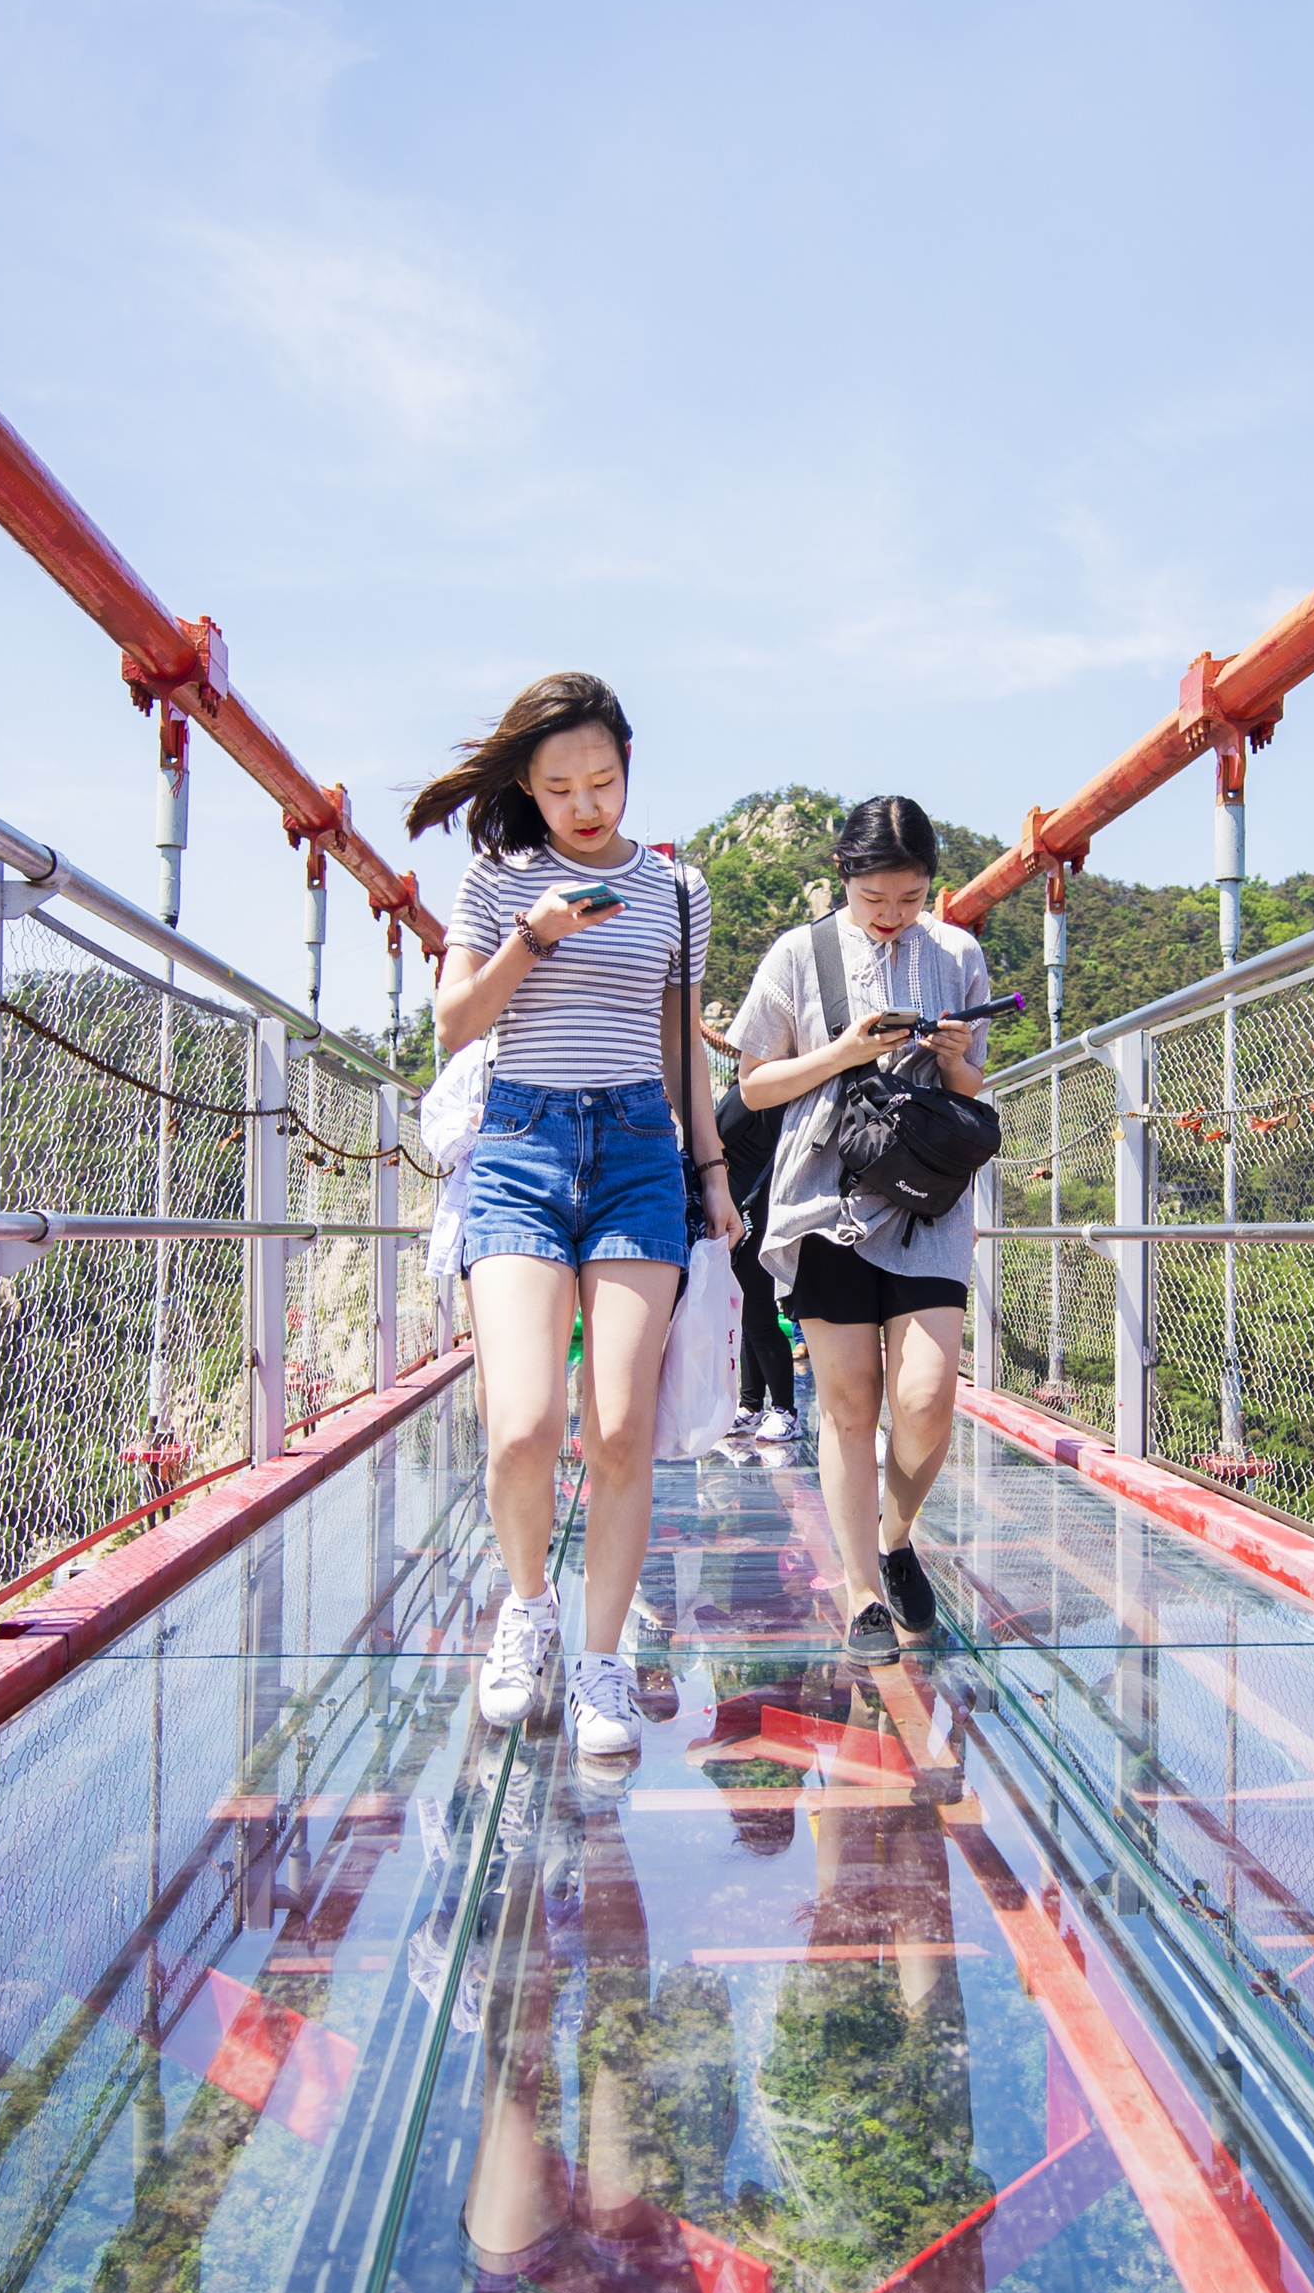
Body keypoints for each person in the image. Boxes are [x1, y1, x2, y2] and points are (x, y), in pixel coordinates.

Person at [413, 672, 739, 1757]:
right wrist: (532, 936)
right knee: (523, 1426)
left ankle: (602, 1661)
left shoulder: (677, 892)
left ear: (629, 771)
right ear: (529, 787)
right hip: (521, 1147)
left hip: (641, 1152)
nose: (586, 803)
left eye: (603, 779)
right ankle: (526, 1610)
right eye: (560, 787)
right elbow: (457, 1022)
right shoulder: (497, 877)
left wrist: (714, 1174)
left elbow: (682, 1040)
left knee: (618, 1427)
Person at [727, 796, 991, 1649]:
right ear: (845, 877)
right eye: (876, 900)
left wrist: (955, 1059)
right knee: (848, 1406)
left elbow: (974, 1091)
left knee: (926, 1399)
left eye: (911, 899)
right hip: (825, 1200)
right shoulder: (798, 955)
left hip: (927, 1205)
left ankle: (895, 1534)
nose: (892, 918)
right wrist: (843, 1051)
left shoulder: (957, 952)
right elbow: (754, 1085)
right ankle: (861, 1594)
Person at [710, 1037, 797, 1444]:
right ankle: (752, 1405)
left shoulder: (749, 1095)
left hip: (742, 1218)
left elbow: (709, 1139)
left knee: (758, 1319)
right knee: (751, 1318)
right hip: (761, 1214)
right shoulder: (792, 1098)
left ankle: (783, 1409)